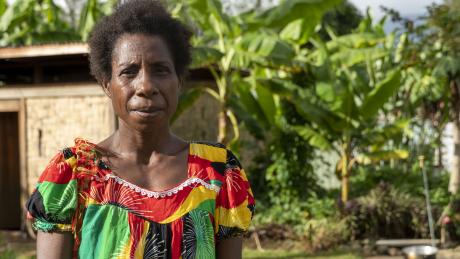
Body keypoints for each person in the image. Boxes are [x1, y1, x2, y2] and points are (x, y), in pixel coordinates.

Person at [25, 0, 255, 258]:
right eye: (128, 72)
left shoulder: (217, 172)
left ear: (178, 81)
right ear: (106, 85)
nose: (145, 85)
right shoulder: (74, 174)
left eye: (161, 70)